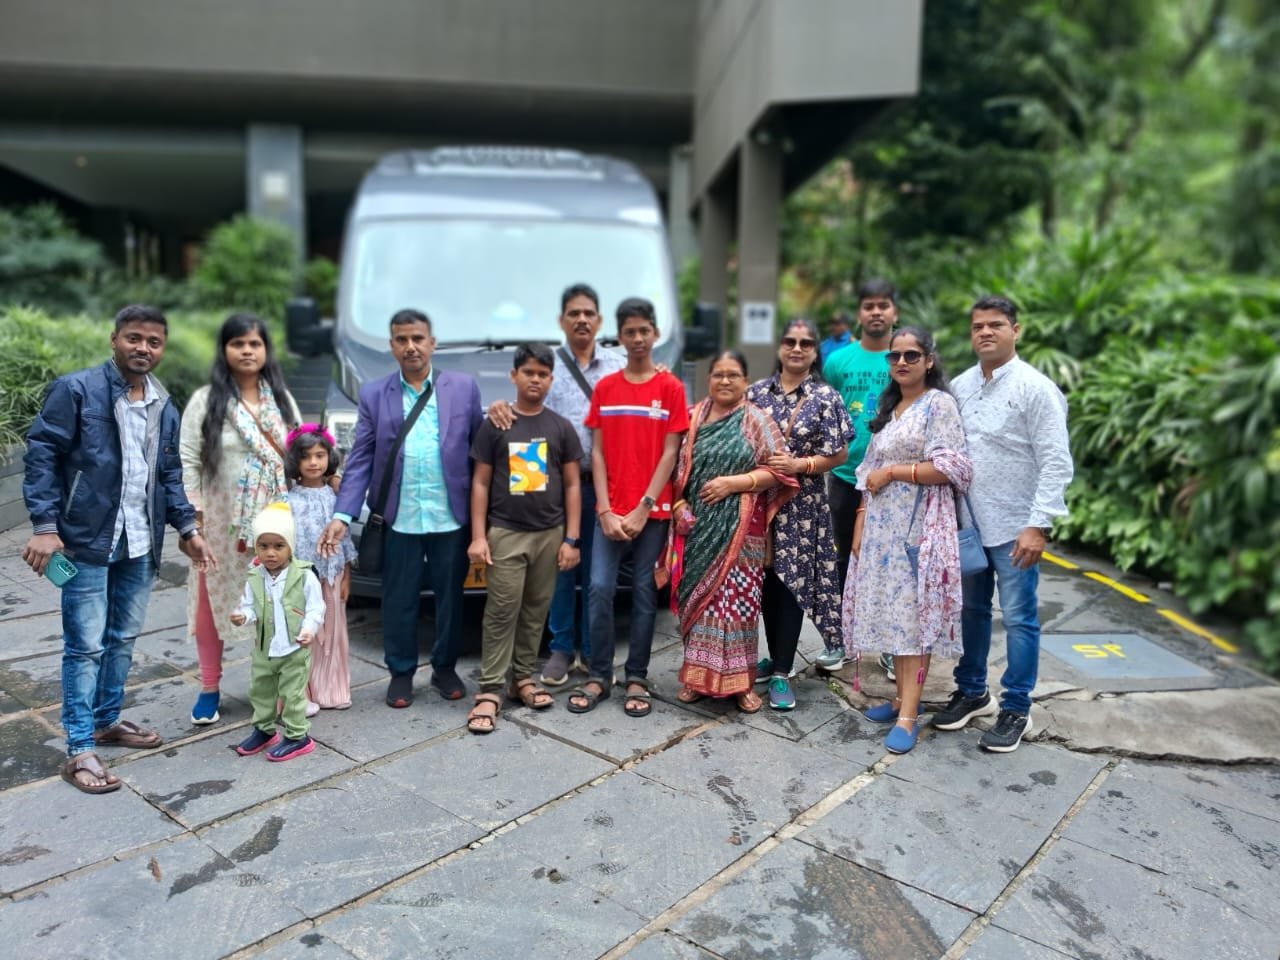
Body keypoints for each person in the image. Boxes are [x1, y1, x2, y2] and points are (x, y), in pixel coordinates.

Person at [22, 304, 216, 794]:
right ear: (114, 339)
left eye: (153, 342)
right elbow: (42, 453)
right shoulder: (77, 390)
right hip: (85, 539)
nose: (143, 348)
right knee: (85, 646)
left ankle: (107, 720)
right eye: (134, 338)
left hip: (140, 540)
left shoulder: (163, 405)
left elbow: (168, 474)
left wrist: (187, 527)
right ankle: (79, 748)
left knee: (123, 637)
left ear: (162, 348)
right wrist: (44, 525)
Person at [320, 308, 483, 709]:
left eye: (418, 338)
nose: (411, 347)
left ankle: (444, 667)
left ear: (432, 343)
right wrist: (343, 514)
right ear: (392, 346)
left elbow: (481, 452)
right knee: (399, 599)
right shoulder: (375, 394)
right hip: (399, 516)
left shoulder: (463, 388)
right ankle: (401, 672)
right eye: (402, 340)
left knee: (450, 598)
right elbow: (361, 458)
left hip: (450, 516)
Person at [933, 295, 1073, 753]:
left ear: (1016, 330)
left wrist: (1039, 525)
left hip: (1016, 528)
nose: (985, 332)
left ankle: (1016, 707)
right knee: (970, 612)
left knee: (1018, 619)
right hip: (969, 525)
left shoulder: (1036, 388)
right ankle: (972, 691)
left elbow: (1056, 461)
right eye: (978, 326)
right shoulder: (960, 386)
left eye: (995, 324)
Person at [484, 283, 625, 687]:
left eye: (589, 313)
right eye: (573, 313)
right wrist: (498, 406)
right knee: (559, 570)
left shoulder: (618, 366)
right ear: (561, 320)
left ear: (599, 321)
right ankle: (561, 648)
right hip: (550, 484)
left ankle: (594, 651)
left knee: (599, 576)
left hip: (605, 484)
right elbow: (522, 407)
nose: (581, 320)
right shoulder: (548, 366)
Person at [841, 327, 971, 754]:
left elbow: (953, 467)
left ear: (929, 360)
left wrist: (895, 472)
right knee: (895, 617)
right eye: (894, 356)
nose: (901, 362)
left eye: (911, 355)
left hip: (919, 529)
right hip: (882, 530)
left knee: (913, 620)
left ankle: (910, 715)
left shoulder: (939, 404)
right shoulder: (892, 406)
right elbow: (868, 472)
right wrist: (860, 522)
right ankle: (900, 699)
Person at [566, 297, 689, 718]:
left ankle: (637, 676)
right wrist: (604, 510)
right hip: (609, 511)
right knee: (599, 587)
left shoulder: (671, 388)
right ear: (619, 337)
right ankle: (599, 675)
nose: (637, 338)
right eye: (630, 332)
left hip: (652, 512)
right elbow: (597, 453)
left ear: (655, 334)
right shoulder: (606, 388)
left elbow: (671, 452)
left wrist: (644, 507)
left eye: (644, 331)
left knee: (643, 591)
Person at [181, 313, 300, 727]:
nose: (247, 351)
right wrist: (193, 521)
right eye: (238, 343)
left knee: (274, 604)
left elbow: (300, 451)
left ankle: (274, 685)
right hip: (219, 524)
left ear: (266, 350)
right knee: (211, 605)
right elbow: (189, 459)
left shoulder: (281, 399)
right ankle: (209, 688)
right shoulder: (206, 400)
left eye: (254, 344)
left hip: (274, 524)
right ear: (224, 350)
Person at [664, 351, 798, 712]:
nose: (725, 381)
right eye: (718, 374)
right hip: (697, 530)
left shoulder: (757, 420)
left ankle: (741, 685)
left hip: (742, 530)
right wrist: (678, 505)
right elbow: (674, 471)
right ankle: (697, 678)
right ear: (708, 379)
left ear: (745, 381)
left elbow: (781, 471)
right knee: (699, 603)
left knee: (739, 607)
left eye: (733, 375)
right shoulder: (692, 418)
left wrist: (735, 483)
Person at [466, 343, 584, 734]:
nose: (535, 380)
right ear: (513, 376)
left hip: (549, 535)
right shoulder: (497, 424)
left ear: (551, 380)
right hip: (505, 533)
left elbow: (572, 484)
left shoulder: (560, 427)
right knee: (502, 610)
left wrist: (571, 539)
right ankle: (490, 689)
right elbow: (481, 482)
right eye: (528, 372)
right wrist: (479, 537)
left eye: (543, 374)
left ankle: (522, 679)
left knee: (535, 611)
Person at [746, 319, 853, 709]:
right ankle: (771, 656)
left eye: (805, 343)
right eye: (790, 341)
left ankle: (781, 672)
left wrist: (800, 465)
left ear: (814, 351)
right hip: (758, 503)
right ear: (779, 347)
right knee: (761, 583)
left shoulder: (826, 397)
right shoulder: (755, 393)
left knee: (791, 586)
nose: (797, 348)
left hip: (802, 507)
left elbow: (839, 454)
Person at [822, 278, 899, 676]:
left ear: (894, 312)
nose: (876, 312)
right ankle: (840, 640)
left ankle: (891, 646)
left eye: (883, 305)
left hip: (892, 479)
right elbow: (827, 412)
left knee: (891, 561)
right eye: (869, 306)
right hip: (844, 474)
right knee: (841, 559)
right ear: (859, 313)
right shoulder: (838, 362)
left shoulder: (903, 357)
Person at [230, 503, 325, 762]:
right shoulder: (254, 576)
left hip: (294, 648)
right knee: (260, 690)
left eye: (278, 546)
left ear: (290, 546)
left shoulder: (304, 575)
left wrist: (309, 629)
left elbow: (316, 608)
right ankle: (264, 730)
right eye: (264, 546)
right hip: (265, 650)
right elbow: (249, 606)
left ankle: (298, 736)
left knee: (292, 695)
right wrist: (243, 616)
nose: (270, 553)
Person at [285, 424, 356, 711]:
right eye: (306, 456)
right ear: (295, 461)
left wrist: (347, 574)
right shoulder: (288, 500)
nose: (313, 462)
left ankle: (332, 690)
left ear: (329, 457)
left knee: (333, 633)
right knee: (304, 634)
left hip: (332, 576)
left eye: (319, 455)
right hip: (301, 580)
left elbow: (345, 538)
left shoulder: (337, 496)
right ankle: (300, 693)